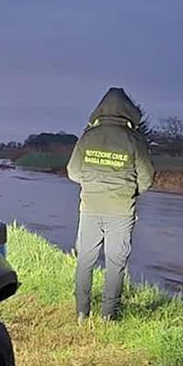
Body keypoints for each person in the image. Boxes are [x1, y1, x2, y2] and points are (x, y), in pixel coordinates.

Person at [66, 87, 155, 321]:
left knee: (85, 260)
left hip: (90, 208)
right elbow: (146, 178)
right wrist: (129, 191)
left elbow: (73, 172)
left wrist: (92, 184)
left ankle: (82, 313)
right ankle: (108, 315)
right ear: (129, 111)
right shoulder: (134, 139)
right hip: (121, 211)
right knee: (115, 264)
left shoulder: (88, 136)